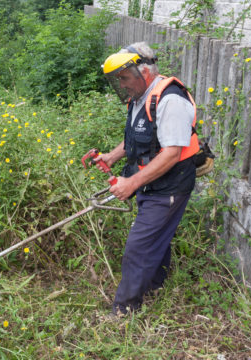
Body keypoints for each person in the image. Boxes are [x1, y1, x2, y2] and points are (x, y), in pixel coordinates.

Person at [95, 42, 200, 316]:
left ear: (144, 71)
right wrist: (112, 156)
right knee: (156, 235)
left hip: (169, 185)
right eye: (118, 79)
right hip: (151, 181)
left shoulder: (170, 99)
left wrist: (131, 182)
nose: (122, 84)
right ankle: (156, 284)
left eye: (124, 77)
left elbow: (171, 154)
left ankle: (125, 309)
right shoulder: (141, 96)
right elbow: (139, 138)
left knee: (139, 247)